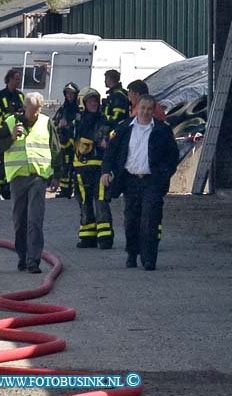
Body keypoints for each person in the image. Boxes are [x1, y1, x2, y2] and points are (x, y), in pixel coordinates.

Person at [101, 95, 178, 271]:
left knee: (150, 220)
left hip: (152, 182)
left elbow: (172, 156)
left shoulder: (162, 130)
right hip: (130, 180)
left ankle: (149, 258)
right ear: (136, 108)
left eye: (149, 109)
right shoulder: (124, 128)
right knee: (131, 220)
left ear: (153, 110)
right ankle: (132, 253)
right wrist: (106, 171)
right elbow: (111, 152)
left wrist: (164, 176)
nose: (145, 112)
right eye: (142, 108)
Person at [0, 92, 60, 274]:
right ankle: (22, 258)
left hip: (39, 177)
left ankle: (33, 262)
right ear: (25, 108)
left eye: (39, 110)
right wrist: (12, 137)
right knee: (20, 221)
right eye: (33, 111)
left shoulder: (46, 122)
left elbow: (55, 149)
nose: (36, 114)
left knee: (35, 220)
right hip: (17, 178)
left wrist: (57, 174)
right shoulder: (10, 123)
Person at [73, 87, 114, 249]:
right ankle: (88, 237)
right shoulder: (77, 122)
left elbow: (109, 139)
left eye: (95, 100)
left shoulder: (105, 120)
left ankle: (105, 237)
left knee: (101, 200)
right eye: (90, 101)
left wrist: (102, 141)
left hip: (100, 167)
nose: (94, 103)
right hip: (80, 169)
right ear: (83, 102)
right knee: (84, 201)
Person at [0, 69, 25, 200]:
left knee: (12, 164)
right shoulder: (0, 95)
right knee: (4, 163)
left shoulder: (20, 96)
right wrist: (5, 122)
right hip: (5, 134)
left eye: (19, 79)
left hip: (18, 134)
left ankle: (8, 190)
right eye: (16, 78)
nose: (18, 81)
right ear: (9, 79)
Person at [52, 82, 80, 198]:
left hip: (74, 144)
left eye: (71, 93)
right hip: (62, 143)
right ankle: (65, 190)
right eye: (67, 93)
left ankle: (74, 189)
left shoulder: (78, 109)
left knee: (73, 167)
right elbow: (53, 122)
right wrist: (58, 125)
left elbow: (79, 123)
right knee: (64, 166)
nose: (69, 96)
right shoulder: (62, 109)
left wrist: (68, 125)